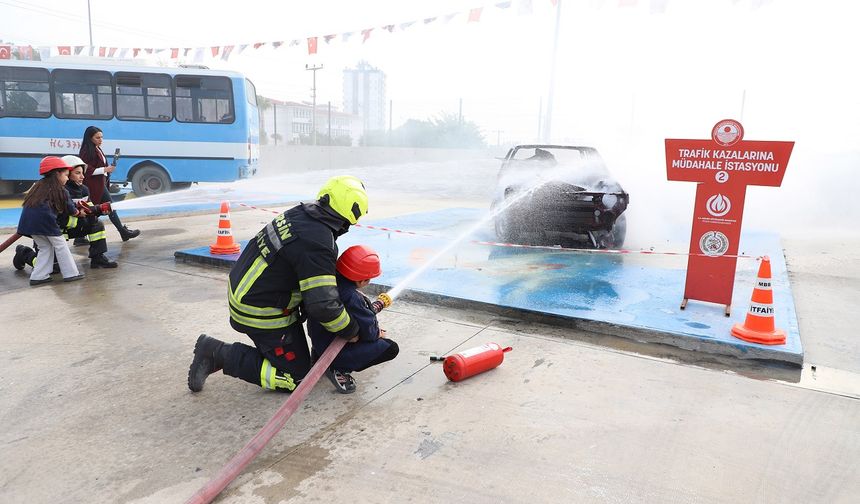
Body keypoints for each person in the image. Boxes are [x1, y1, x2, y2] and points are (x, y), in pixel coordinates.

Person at [187, 175, 369, 394]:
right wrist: (351, 330)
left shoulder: (302, 214)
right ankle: (218, 353)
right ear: (348, 217)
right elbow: (323, 305)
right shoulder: (319, 243)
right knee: (298, 378)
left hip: (246, 291)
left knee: (309, 347)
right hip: (260, 310)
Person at [308, 244, 399, 394]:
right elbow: (368, 331)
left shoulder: (327, 284)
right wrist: (377, 333)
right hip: (334, 349)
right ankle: (339, 369)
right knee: (390, 348)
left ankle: (319, 357)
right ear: (362, 281)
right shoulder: (352, 297)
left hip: (319, 340)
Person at [15, 156, 85, 285]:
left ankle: (38, 276)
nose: (67, 178)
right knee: (61, 245)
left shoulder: (38, 186)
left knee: (45, 247)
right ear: (57, 173)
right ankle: (71, 273)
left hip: (29, 224)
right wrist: (78, 212)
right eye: (66, 175)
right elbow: (70, 208)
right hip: (46, 223)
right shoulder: (61, 190)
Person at [78, 126, 140, 242]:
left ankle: (80, 236)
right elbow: (87, 170)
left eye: (101, 137)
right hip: (93, 185)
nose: (100, 140)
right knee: (109, 207)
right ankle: (123, 232)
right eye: (97, 138)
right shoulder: (86, 151)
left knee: (97, 210)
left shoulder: (97, 148)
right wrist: (105, 170)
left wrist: (106, 170)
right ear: (89, 138)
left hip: (100, 184)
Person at [62, 155, 118, 268]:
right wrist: (98, 208)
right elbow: (68, 210)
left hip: (76, 227)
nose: (82, 176)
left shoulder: (84, 190)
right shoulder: (61, 191)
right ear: (67, 173)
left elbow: (90, 209)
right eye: (77, 173)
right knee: (51, 267)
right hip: (58, 230)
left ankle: (98, 258)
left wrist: (101, 210)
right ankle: (25, 254)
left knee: (97, 224)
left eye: (82, 173)